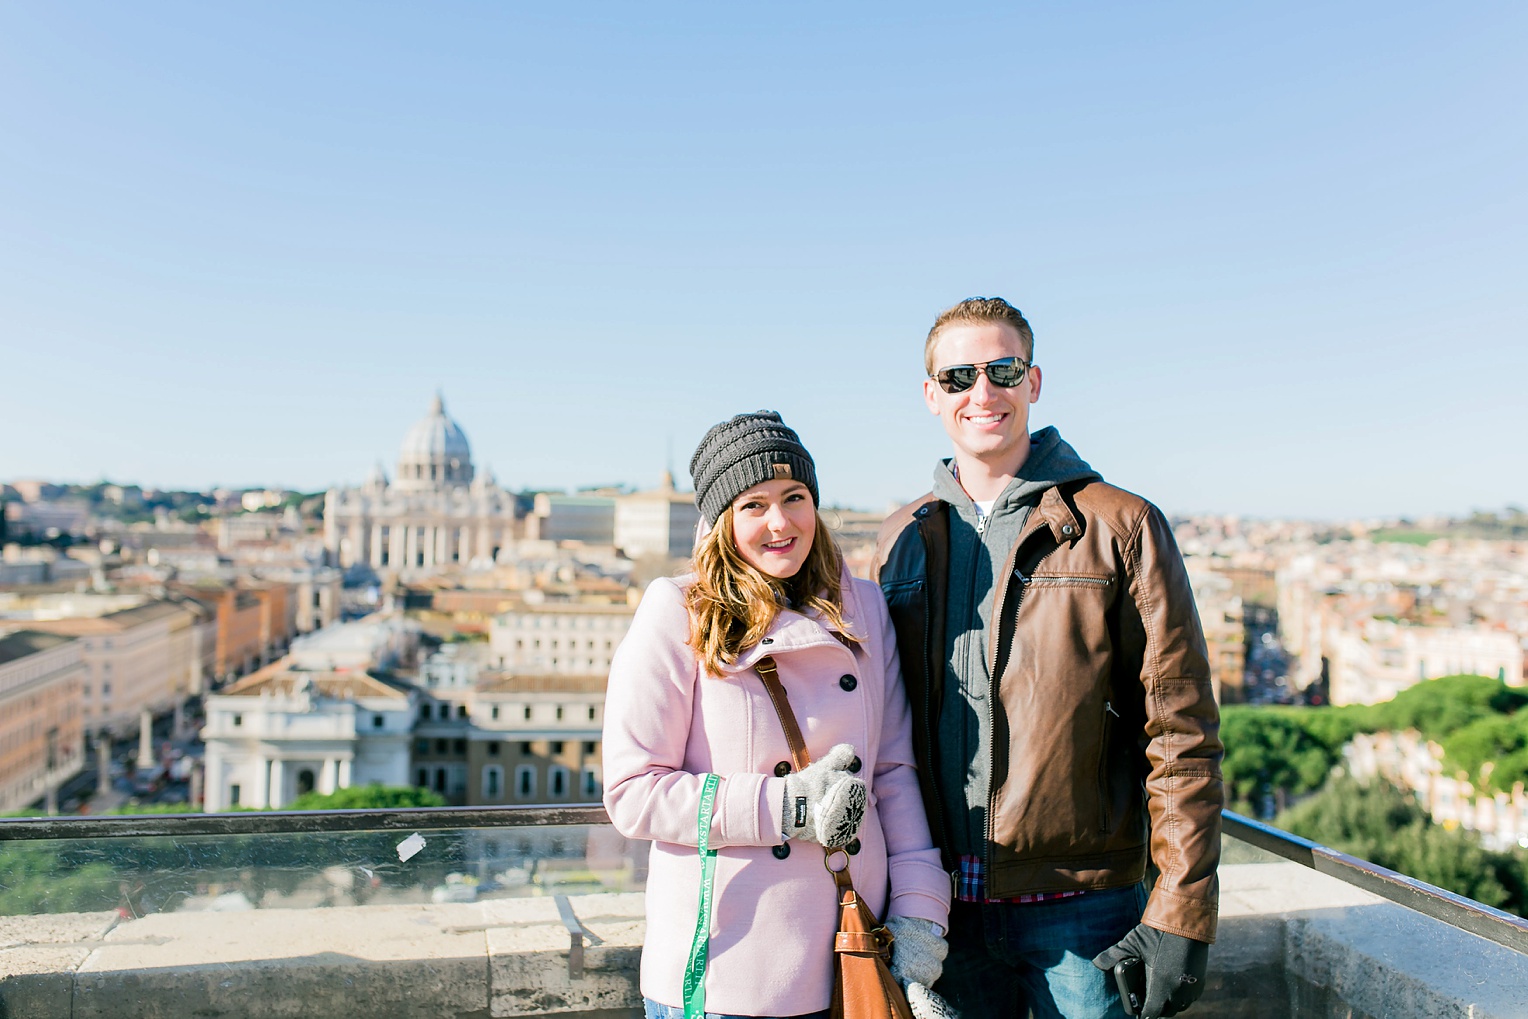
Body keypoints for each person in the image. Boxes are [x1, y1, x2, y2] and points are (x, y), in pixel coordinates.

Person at [871, 298, 1224, 1019]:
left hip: (1086, 909)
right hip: (938, 908)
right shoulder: (900, 537)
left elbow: (1180, 732)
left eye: (1003, 369)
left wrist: (1182, 910)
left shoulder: (1122, 525)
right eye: (960, 374)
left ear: (1033, 383)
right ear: (931, 394)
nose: (984, 391)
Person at [604, 410, 954, 1019]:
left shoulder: (864, 608)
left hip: (854, 956)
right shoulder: (675, 610)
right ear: (719, 523)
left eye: (795, 497)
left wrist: (922, 920)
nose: (780, 522)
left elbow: (893, 774)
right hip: (730, 968)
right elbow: (633, 793)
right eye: (753, 505)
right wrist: (791, 807)